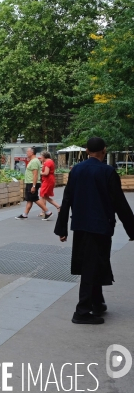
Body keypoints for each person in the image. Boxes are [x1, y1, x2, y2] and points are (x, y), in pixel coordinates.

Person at [55, 137, 134, 325]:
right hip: (100, 226)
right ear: (104, 150)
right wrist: (131, 229)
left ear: (86, 150)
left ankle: (97, 303)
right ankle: (82, 311)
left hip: (81, 225)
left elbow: (67, 199)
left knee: (94, 263)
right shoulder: (107, 172)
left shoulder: (77, 170)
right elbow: (120, 203)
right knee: (92, 265)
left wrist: (62, 228)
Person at [15, 147, 53, 220]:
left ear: (31, 152)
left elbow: (35, 174)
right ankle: (25, 214)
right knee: (29, 199)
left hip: (32, 183)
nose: (26, 153)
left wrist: (34, 186)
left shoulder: (34, 161)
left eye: (27, 151)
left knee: (35, 198)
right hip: (30, 182)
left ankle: (48, 212)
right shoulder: (33, 161)